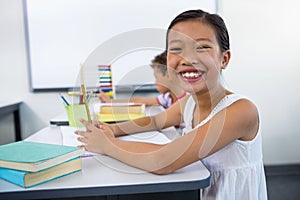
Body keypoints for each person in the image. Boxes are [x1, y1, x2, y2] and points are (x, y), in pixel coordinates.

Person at [76, 9, 268, 200]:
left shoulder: (242, 111)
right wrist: (112, 129)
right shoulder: (189, 103)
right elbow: (154, 121)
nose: (187, 59)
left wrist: (107, 144)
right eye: (176, 49)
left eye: (202, 47)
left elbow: (163, 161)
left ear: (224, 59)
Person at [98, 51, 187, 109]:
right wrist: (111, 102)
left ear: (169, 75)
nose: (155, 83)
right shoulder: (167, 98)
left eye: (156, 77)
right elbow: (139, 100)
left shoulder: (185, 101)